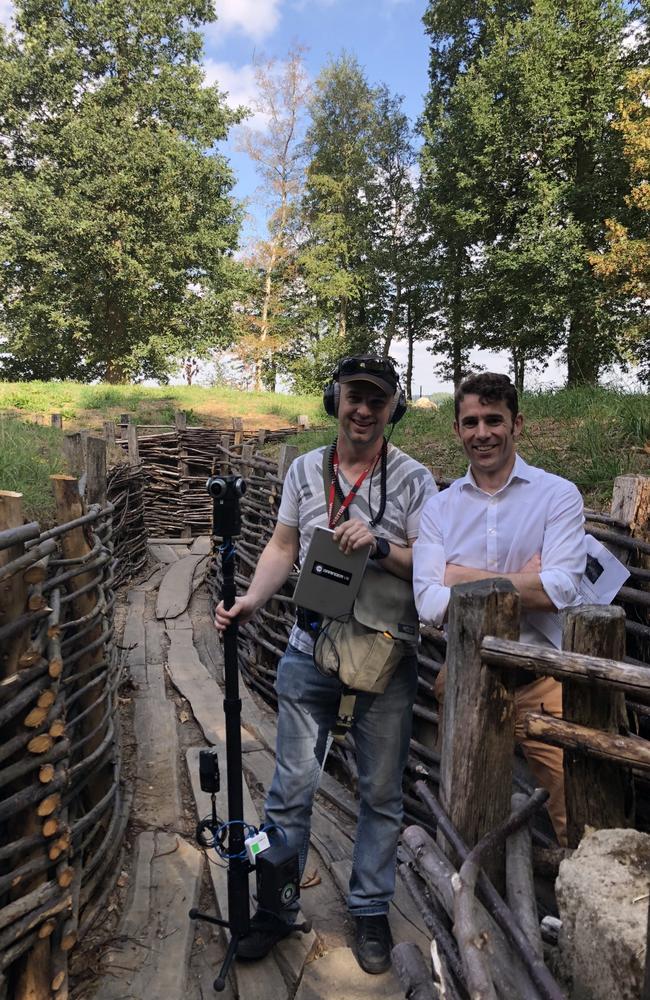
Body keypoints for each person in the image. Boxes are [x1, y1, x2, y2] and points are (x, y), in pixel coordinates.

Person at [215, 355, 436, 974]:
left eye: (377, 400)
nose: (363, 410)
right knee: (289, 789)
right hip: (309, 647)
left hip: (384, 654)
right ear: (334, 398)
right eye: (354, 397)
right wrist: (252, 600)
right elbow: (283, 544)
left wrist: (382, 544)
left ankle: (369, 908)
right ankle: (279, 907)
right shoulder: (306, 470)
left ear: (394, 407)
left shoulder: (416, 479)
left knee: (380, 792)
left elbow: (433, 563)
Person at [412, 372, 587, 846]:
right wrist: (525, 580)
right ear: (456, 429)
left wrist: (458, 576)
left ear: (517, 423)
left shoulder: (557, 495)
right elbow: (428, 602)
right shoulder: (439, 509)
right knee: (463, 805)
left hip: (540, 678)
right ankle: (466, 901)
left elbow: (561, 588)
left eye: (494, 419)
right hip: (467, 676)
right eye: (471, 422)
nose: (482, 432)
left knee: (574, 811)